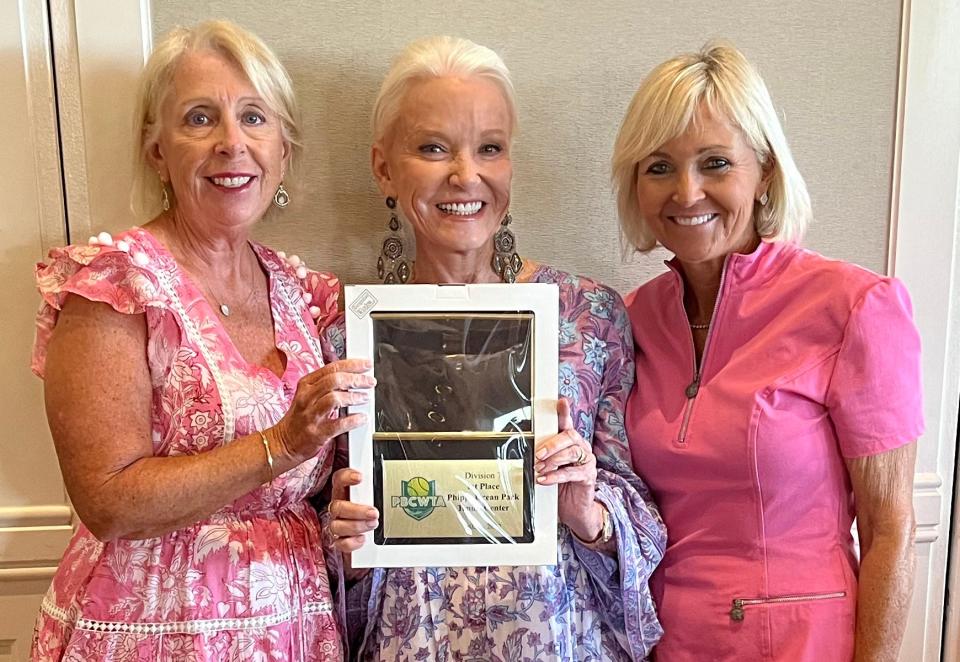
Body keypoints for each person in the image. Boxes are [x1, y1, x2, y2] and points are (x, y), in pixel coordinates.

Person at [29, 20, 369, 661]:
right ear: (157, 149)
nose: (231, 144)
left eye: (254, 118)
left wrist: (348, 521)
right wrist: (283, 443)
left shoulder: (304, 294)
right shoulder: (117, 282)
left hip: (294, 629)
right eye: (200, 119)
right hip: (152, 629)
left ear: (284, 152)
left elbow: (320, 482)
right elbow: (107, 501)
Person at [324, 36, 666, 661]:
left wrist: (589, 513)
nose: (465, 175)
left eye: (490, 148)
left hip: (560, 640)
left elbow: (637, 501)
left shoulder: (587, 316)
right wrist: (344, 546)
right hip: (416, 640)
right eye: (433, 148)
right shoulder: (346, 334)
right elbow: (330, 538)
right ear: (384, 169)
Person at [612, 43, 922, 661]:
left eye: (716, 162)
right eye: (659, 167)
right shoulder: (631, 319)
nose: (687, 191)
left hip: (803, 646)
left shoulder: (855, 306)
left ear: (765, 175)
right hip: (663, 644)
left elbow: (891, 531)